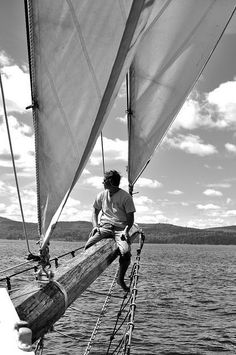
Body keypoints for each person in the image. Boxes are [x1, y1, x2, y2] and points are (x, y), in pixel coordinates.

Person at [85, 170, 136, 292]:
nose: (102, 182)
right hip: (105, 227)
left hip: (120, 229)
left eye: (104, 180)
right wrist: (95, 226)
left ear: (111, 182)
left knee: (125, 253)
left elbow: (130, 218)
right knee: (88, 246)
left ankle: (120, 279)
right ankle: (88, 276)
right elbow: (94, 211)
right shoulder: (102, 195)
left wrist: (126, 231)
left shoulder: (126, 197)